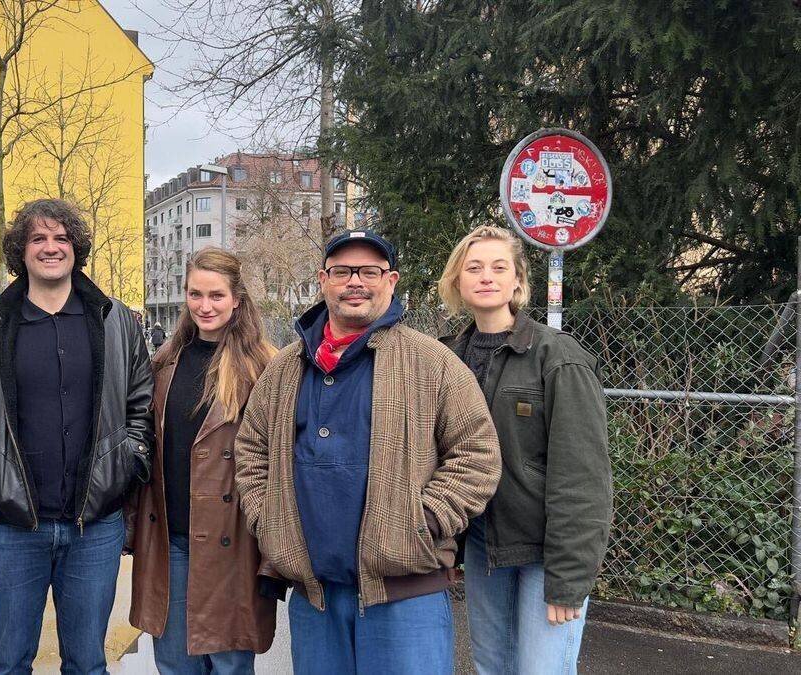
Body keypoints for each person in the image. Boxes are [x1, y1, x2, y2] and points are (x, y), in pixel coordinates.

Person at [234, 230, 501, 674]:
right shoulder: (284, 368)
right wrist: (270, 519)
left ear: (391, 281)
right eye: (342, 271)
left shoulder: (432, 362)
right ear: (324, 280)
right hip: (316, 597)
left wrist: (422, 521)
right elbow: (251, 450)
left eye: (370, 272)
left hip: (405, 597)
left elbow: (477, 454)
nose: (355, 281)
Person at [0, 198, 153, 675]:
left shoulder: (115, 320)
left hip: (93, 527)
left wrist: (128, 462)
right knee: (9, 664)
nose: (50, 247)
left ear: (76, 248)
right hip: (11, 527)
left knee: (88, 664)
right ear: (20, 250)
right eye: (37, 238)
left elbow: (141, 403)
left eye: (61, 238)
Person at [437, 225, 612, 675]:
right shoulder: (446, 359)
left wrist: (569, 578)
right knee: (491, 666)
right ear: (457, 280)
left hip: (544, 551)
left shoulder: (558, 357)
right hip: (483, 546)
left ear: (518, 280)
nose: (486, 276)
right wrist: (445, 546)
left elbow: (582, 476)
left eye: (500, 267)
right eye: (474, 268)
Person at [128, 248, 279, 674]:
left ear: (237, 300)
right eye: (195, 294)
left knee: (230, 664)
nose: (205, 306)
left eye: (216, 295)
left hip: (233, 544)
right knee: (175, 664)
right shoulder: (163, 362)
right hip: (170, 540)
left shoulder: (264, 368)